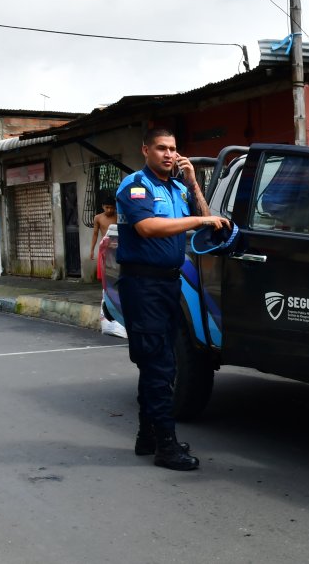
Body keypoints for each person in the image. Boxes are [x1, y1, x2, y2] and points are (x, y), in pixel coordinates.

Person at [115, 128, 231, 471]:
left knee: (157, 363)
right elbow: (148, 227)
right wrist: (198, 219)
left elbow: (207, 223)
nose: (169, 154)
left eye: (173, 149)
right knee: (159, 365)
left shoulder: (178, 187)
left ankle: (147, 437)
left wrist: (194, 182)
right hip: (142, 286)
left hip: (169, 284)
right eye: (161, 148)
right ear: (146, 150)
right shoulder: (136, 186)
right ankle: (166, 445)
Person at [89, 195, 117, 280]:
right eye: (107, 207)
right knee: (104, 274)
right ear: (103, 206)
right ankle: (105, 291)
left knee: (115, 273)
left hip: (116, 247)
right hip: (104, 248)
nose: (109, 210)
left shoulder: (118, 217)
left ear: (115, 207)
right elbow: (95, 234)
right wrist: (92, 250)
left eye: (111, 207)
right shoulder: (98, 218)